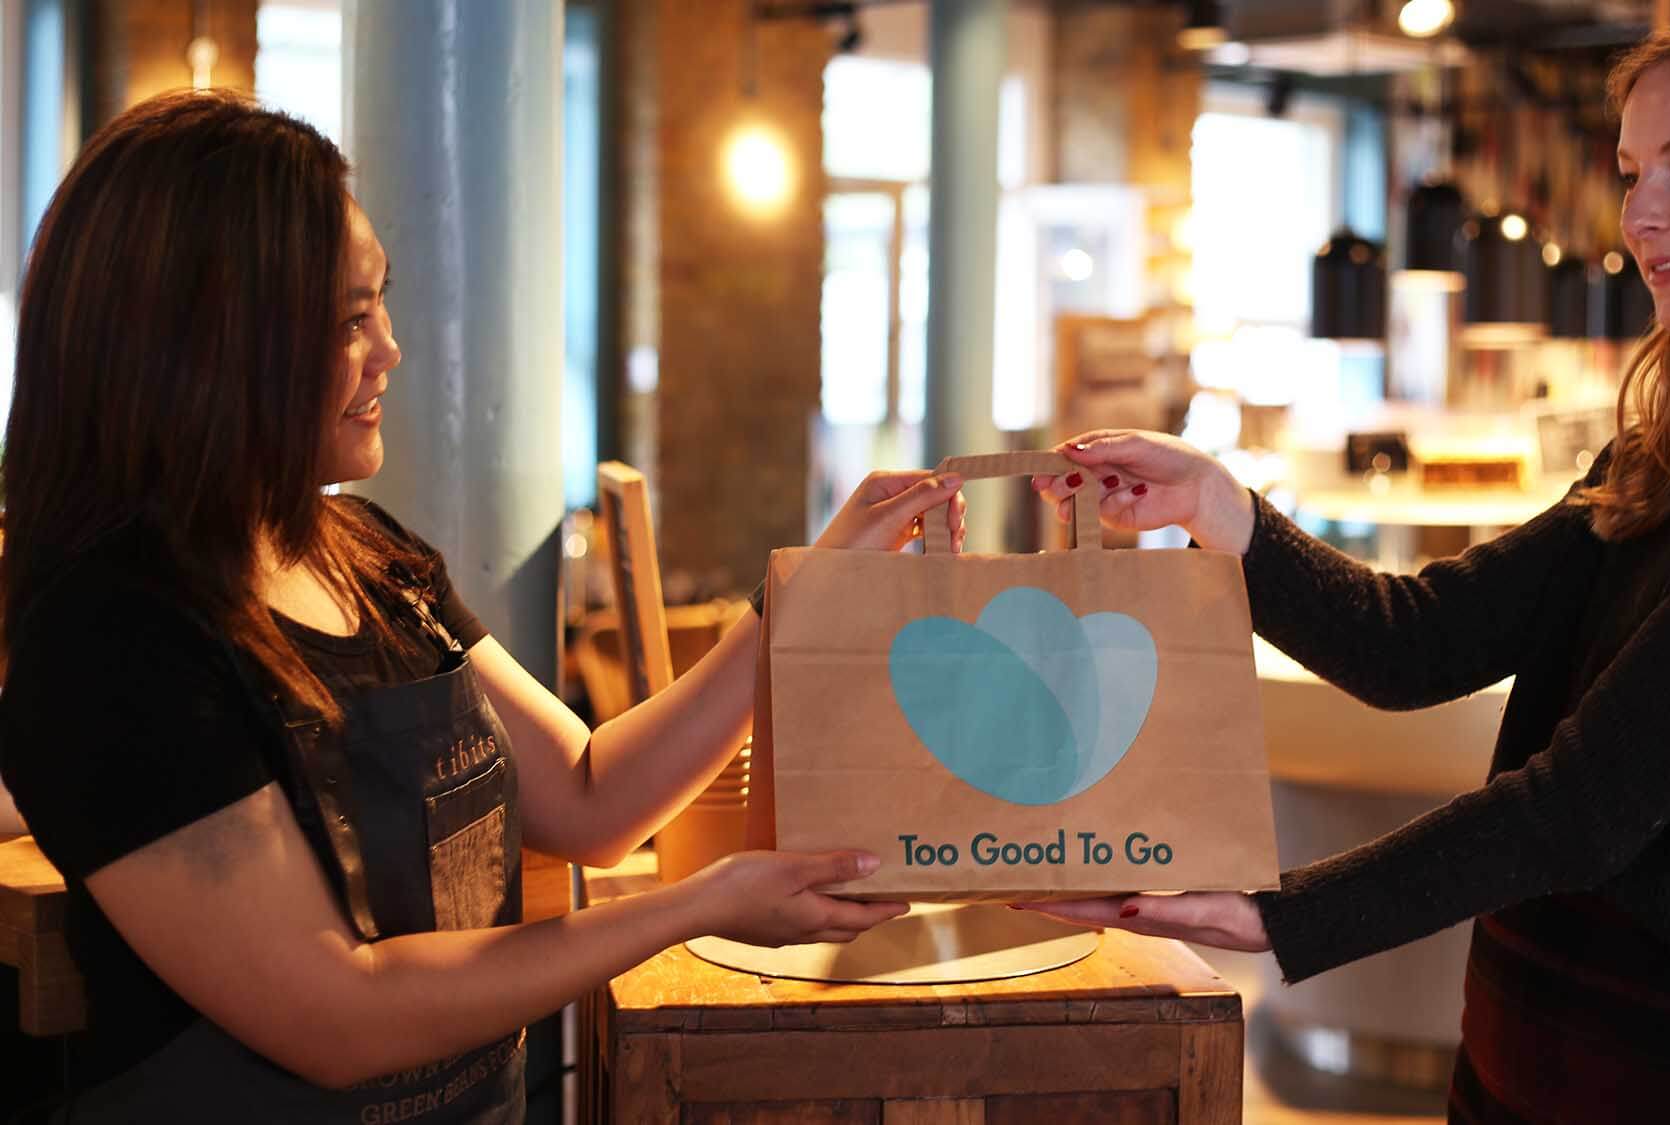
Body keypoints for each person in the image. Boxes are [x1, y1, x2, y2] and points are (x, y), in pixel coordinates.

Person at [1025, 8, 1670, 1124]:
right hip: (1529, 1021)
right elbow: (1417, 642)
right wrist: (1221, 512)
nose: (1642, 213)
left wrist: (1281, 913)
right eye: (1633, 171)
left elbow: (1586, 806)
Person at [0, 90, 966, 1122]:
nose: (392, 351)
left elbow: (595, 798)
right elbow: (338, 1017)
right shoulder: (112, 641)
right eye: (352, 318)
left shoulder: (366, 558)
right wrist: (699, 906)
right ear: (216, 344)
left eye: (383, 304)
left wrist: (803, 597)